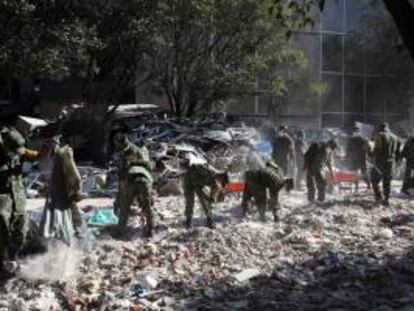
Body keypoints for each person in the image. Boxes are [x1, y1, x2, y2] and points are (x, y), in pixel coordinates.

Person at [0, 127, 41, 274]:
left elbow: (37, 156)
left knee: (20, 227)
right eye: (13, 150)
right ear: (4, 145)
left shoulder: (20, 152)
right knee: (3, 228)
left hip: (18, 197)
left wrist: (49, 146)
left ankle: (14, 258)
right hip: (3, 198)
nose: (17, 153)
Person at [39, 136, 84, 245]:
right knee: (54, 220)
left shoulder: (62, 154)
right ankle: (58, 243)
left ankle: (71, 243)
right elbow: (48, 176)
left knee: (65, 219)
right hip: (53, 195)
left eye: (49, 143)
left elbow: (75, 175)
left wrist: (75, 190)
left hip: (62, 194)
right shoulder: (48, 157)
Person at [116, 137, 154, 237]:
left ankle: (120, 230)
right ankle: (150, 229)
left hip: (131, 179)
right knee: (147, 206)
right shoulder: (145, 159)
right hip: (145, 179)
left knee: (125, 206)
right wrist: (151, 199)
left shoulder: (127, 162)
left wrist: (117, 202)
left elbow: (121, 185)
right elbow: (150, 179)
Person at [183, 163, 229, 229]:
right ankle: (188, 223)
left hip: (199, 185)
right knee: (190, 202)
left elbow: (213, 194)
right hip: (189, 181)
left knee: (205, 202)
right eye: (221, 182)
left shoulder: (215, 183)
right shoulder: (208, 171)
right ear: (220, 178)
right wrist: (207, 196)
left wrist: (212, 199)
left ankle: (209, 221)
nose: (220, 184)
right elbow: (194, 169)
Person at [371, 123, 401, 206]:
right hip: (390, 163)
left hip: (380, 163)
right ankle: (386, 198)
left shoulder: (379, 136)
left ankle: (378, 197)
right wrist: (397, 162)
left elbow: (377, 150)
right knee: (387, 181)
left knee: (374, 179)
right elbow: (398, 153)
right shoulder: (396, 137)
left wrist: (371, 155)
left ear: (380, 128)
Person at [346, 125, 371, 190]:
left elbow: (348, 150)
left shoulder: (350, 140)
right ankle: (368, 185)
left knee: (355, 172)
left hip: (353, 159)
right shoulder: (363, 139)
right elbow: (368, 149)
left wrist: (347, 158)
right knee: (364, 172)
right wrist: (369, 155)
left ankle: (356, 186)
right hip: (361, 159)